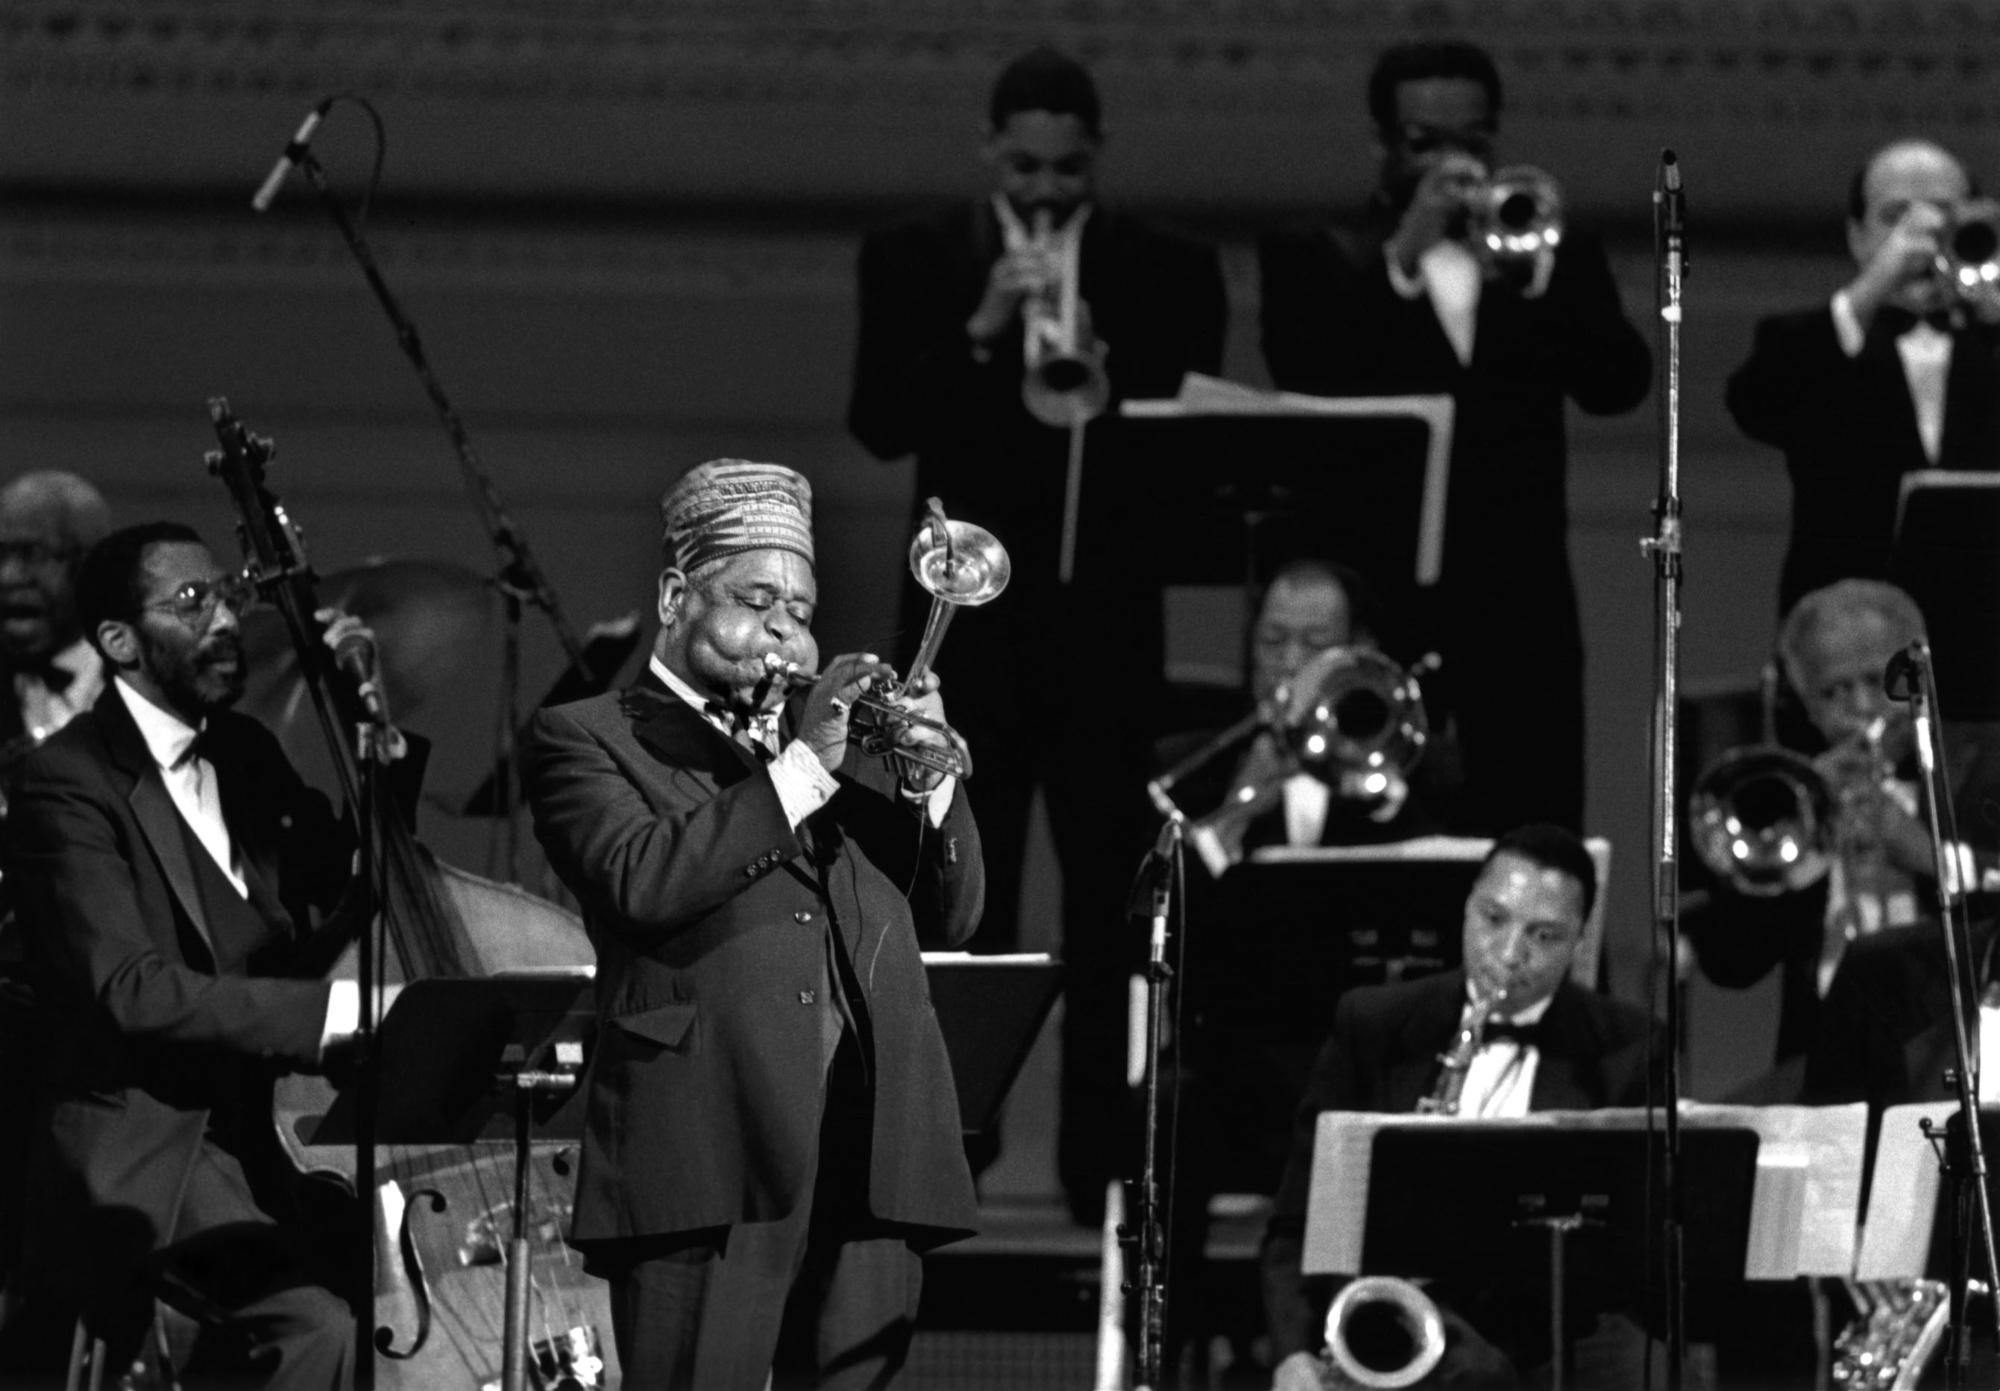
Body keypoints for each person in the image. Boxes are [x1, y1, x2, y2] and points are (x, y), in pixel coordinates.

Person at [848, 43, 1227, 1219]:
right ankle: (945, 1151)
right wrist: (979, 327)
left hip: (1105, 633)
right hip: (966, 639)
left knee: (1114, 905)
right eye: (1025, 168)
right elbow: (877, 421)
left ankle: (1099, 1170)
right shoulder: (913, 255)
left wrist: (1114, 365)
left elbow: (1195, 440)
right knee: (961, 896)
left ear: (1095, 156)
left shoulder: (1166, 265)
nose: (1048, 190)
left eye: (1068, 170)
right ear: (989, 152)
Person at [524, 460, 985, 1390]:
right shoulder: (588, 736)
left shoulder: (846, 750)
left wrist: (930, 782)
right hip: (709, 1160)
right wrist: (804, 766)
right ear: (675, 597)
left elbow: (956, 913)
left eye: (802, 610)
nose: (785, 628)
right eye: (756, 599)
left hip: (872, 1160)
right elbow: (642, 879)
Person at [1, 521, 396, 1388]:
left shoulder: (246, 753)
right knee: (320, 1326)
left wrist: (362, 715)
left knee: (395, 1295)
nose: (224, 619)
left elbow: (359, 892)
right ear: (119, 641)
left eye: (228, 595)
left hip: (280, 1127)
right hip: (160, 1138)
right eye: (191, 601)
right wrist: (337, 1013)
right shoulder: (65, 780)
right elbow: (129, 988)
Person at [1259, 38, 1651, 835]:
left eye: (1472, 142)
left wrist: (1538, 281)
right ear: (1381, 144)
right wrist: (1404, 255)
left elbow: (1619, 384)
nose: (1453, 163)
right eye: (1424, 143)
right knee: (1377, 829)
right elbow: (1307, 366)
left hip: (1521, 602)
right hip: (1382, 601)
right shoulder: (1317, 252)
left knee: (1533, 819)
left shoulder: (1552, 256)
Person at [1261, 824, 1656, 1390]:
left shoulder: (1628, 1046)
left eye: (1544, 935)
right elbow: (1297, 1217)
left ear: (1579, 940)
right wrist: (1292, 1354)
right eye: (1493, 919)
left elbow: (1631, 1248)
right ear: (1467, 907)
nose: (1510, 954)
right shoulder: (1372, 1024)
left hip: (1550, 1320)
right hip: (1399, 1314)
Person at [1683, 579, 2000, 1078]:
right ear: (1807, 705)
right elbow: (1732, 966)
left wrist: (1929, 856)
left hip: (1967, 1049)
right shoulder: (1795, 796)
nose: (1862, 706)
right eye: (1834, 691)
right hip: (1832, 1057)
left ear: (1920, 678)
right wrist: (1809, 842)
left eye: (1876, 681)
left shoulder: (1989, 762)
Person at [1727, 139, 2000, 616]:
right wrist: (1874, 286)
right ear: (1857, 236)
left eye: (1943, 214)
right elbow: (1756, 404)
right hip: (1850, 632)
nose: (1921, 236)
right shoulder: (1807, 342)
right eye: (1896, 216)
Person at [0, 469, 111, 1294]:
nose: (9, 577)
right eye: (0, 554)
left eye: (34, 555)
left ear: (89, 565)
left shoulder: (154, 688)